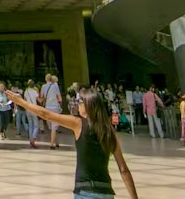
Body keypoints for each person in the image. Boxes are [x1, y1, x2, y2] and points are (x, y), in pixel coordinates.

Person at [7, 85, 139, 199]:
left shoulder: (78, 124)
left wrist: (22, 102)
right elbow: (124, 170)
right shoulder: (109, 132)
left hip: (85, 192)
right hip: (106, 192)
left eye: (79, 102)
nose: (77, 104)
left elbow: (46, 115)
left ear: (87, 105)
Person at [41, 73, 63, 149]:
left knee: (51, 126)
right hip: (54, 107)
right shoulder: (55, 86)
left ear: (45, 79)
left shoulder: (43, 87)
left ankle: (54, 142)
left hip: (47, 107)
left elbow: (42, 97)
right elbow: (60, 98)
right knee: (54, 126)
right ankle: (52, 143)